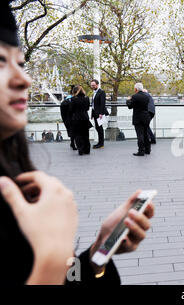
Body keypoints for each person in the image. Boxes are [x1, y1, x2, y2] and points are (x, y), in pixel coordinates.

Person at [0, 1, 154, 284]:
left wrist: (100, 252)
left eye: (21, 63)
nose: (24, 79)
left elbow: (70, 276)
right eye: (1, 62)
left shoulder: (15, 178)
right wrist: (51, 255)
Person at [126, 83, 151, 156]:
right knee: (146, 134)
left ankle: (141, 151)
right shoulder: (146, 96)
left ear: (136, 89)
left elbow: (130, 106)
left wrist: (128, 100)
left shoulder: (134, 96)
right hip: (146, 117)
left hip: (138, 118)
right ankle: (148, 150)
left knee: (140, 135)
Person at [70, 85, 92, 156]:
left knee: (78, 135)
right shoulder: (86, 98)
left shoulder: (73, 99)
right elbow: (88, 108)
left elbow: (71, 109)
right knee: (86, 134)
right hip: (85, 118)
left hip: (76, 118)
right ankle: (87, 149)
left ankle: (81, 149)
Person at [90, 79, 109, 149]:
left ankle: (101, 143)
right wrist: (92, 114)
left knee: (99, 128)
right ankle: (100, 143)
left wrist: (101, 113)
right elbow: (93, 104)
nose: (92, 86)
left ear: (97, 85)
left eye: (93, 85)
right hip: (95, 113)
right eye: (91, 85)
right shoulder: (94, 92)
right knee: (97, 128)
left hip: (99, 113)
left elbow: (102, 103)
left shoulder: (101, 92)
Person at [60, 85, 76, 150]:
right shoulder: (71, 100)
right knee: (73, 131)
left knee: (71, 131)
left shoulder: (66, 100)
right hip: (72, 117)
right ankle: (73, 143)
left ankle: (72, 143)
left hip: (67, 118)